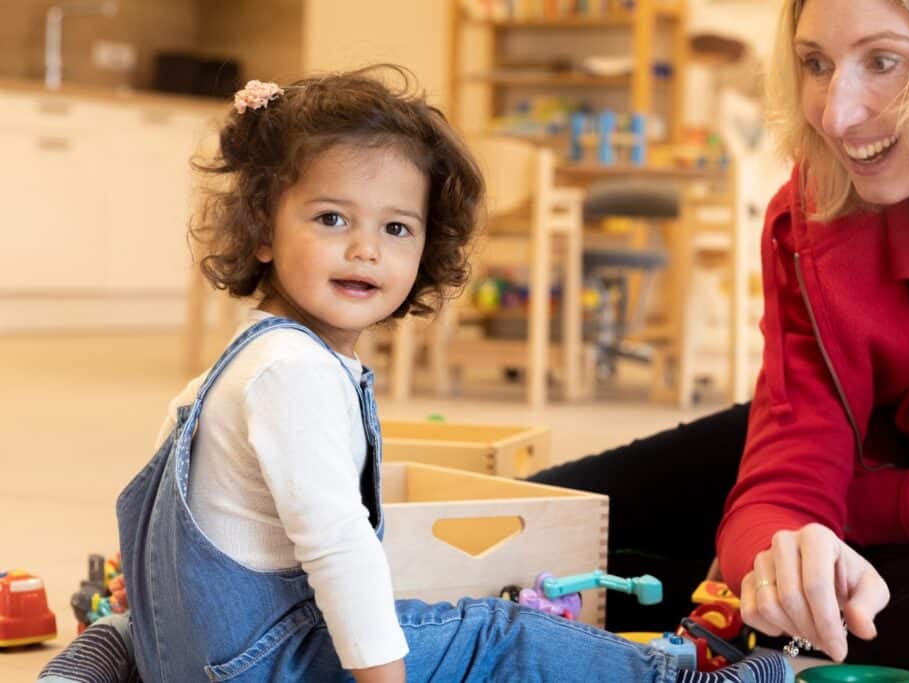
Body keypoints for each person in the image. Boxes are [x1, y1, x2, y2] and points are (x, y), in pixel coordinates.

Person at [107, 66, 790, 683]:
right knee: (496, 630)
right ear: (262, 230)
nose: (365, 248)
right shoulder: (294, 371)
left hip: (184, 656)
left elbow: (158, 501)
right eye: (331, 217)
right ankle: (681, 679)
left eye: (398, 228)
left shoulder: (243, 358)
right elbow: (339, 544)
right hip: (265, 663)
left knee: (124, 631)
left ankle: (90, 666)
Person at [530, 1, 909, 680]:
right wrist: (781, 548)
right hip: (868, 453)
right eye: (815, 63)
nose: (836, 113)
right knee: (537, 538)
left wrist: (855, 507)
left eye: (883, 61)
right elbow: (788, 474)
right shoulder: (815, 208)